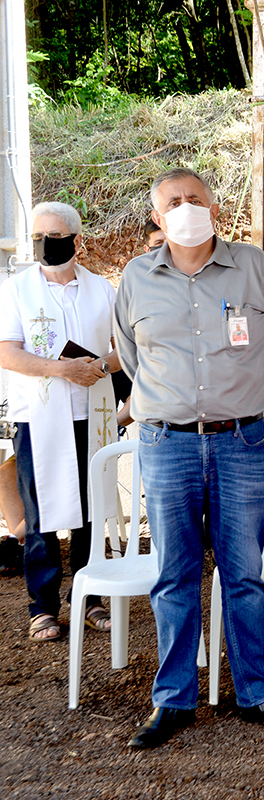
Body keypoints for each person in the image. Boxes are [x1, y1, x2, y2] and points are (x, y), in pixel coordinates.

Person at [114, 167, 264, 749]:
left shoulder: (252, 266)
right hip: (165, 443)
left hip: (241, 441)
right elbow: (128, 355)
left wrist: (249, 401)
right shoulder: (136, 278)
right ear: (156, 215)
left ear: (215, 207)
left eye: (196, 197)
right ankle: (173, 700)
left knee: (244, 574)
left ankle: (256, 693)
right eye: (173, 201)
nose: (185, 207)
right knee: (174, 575)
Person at [0, 200, 122, 642]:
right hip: (38, 415)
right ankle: (42, 606)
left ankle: (89, 598)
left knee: (93, 511)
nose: (42, 246)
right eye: (36, 238)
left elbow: (124, 347)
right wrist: (62, 369)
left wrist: (101, 366)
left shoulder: (102, 289)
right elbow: (7, 351)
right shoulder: (15, 289)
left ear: (76, 240)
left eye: (51, 238)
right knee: (41, 513)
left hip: (93, 412)